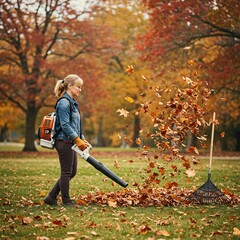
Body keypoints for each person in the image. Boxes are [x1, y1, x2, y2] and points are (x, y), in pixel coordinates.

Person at [44, 74, 89, 207]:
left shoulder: (73, 102)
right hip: (63, 141)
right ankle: (66, 201)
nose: (80, 90)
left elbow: (76, 125)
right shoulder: (64, 102)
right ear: (70, 86)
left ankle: (51, 197)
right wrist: (76, 139)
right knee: (66, 172)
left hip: (71, 141)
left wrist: (82, 139)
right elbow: (65, 125)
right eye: (78, 87)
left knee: (72, 172)